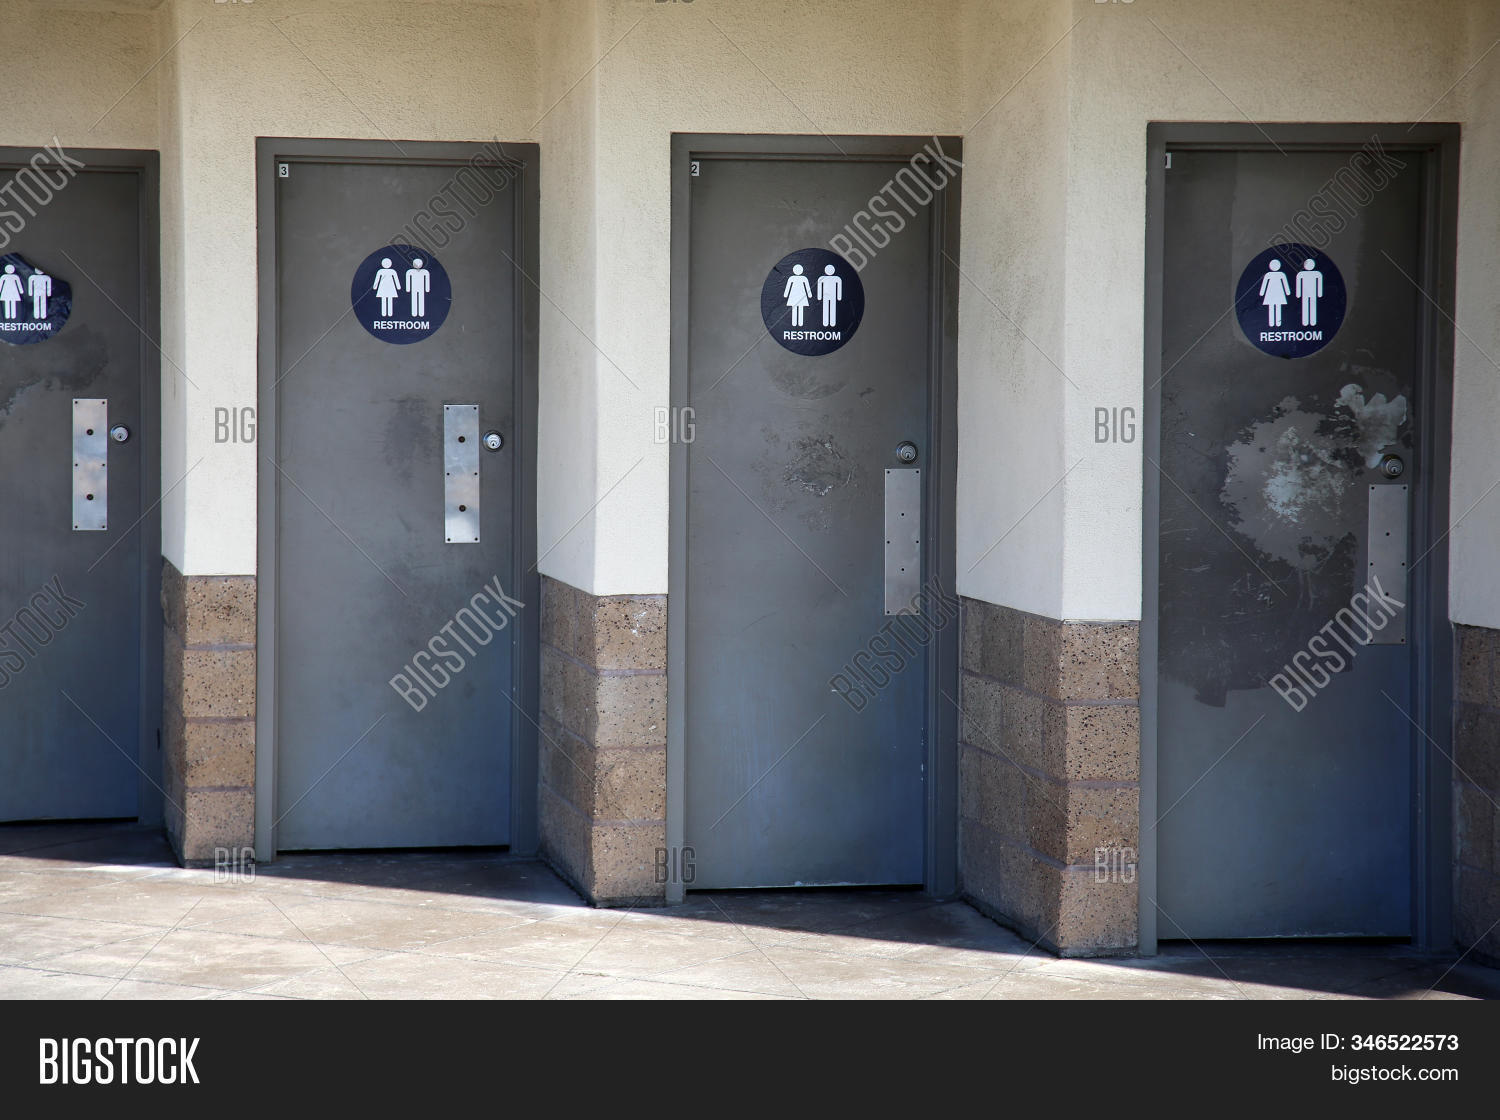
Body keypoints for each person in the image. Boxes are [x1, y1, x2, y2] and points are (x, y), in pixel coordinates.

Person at [1260, 258, 1291, 327]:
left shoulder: (1281, 274)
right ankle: (1272, 323)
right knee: (1272, 307)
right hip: (1270, 294)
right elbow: (1264, 284)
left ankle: (1278, 323)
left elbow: (1285, 284)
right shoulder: (1268, 275)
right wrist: (1262, 292)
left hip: (1278, 293)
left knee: (1277, 307)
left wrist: (1287, 292)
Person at [1296, 258, 1323, 327]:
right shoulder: (1301, 274)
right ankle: (1305, 321)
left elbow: (1319, 284)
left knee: (1313, 307)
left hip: (1312, 293)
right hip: (1305, 293)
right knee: (1305, 306)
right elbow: (1298, 284)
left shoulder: (1317, 274)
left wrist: (1319, 293)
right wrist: (1298, 293)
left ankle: (1313, 322)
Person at [816, 263, 842, 327]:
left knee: (832, 308)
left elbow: (839, 288)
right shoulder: (822, 278)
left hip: (833, 296)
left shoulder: (837, 279)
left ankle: (832, 322)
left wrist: (839, 297)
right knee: (826, 308)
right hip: (826, 296)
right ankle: (825, 322)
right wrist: (819, 296)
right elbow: (819, 288)